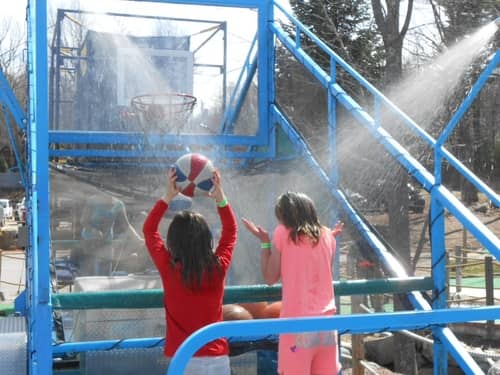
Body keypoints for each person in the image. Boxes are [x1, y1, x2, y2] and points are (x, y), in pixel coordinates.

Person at [143, 167, 237, 375]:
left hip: (183, 358)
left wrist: (168, 196)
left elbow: (149, 230)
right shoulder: (218, 267)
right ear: (206, 238)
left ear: (174, 241)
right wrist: (221, 198)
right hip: (218, 358)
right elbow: (230, 232)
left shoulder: (169, 268)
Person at [242, 191, 343, 375]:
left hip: (298, 330)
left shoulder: (282, 233)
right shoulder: (328, 236)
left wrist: (265, 244)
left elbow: (270, 278)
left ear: (285, 215)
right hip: (327, 328)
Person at [77, 193, 143, 275]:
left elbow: (126, 225)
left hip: (107, 242)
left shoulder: (119, 204)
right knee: (90, 273)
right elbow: (83, 221)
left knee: (106, 272)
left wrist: (137, 238)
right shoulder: (92, 201)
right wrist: (94, 231)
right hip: (90, 241)